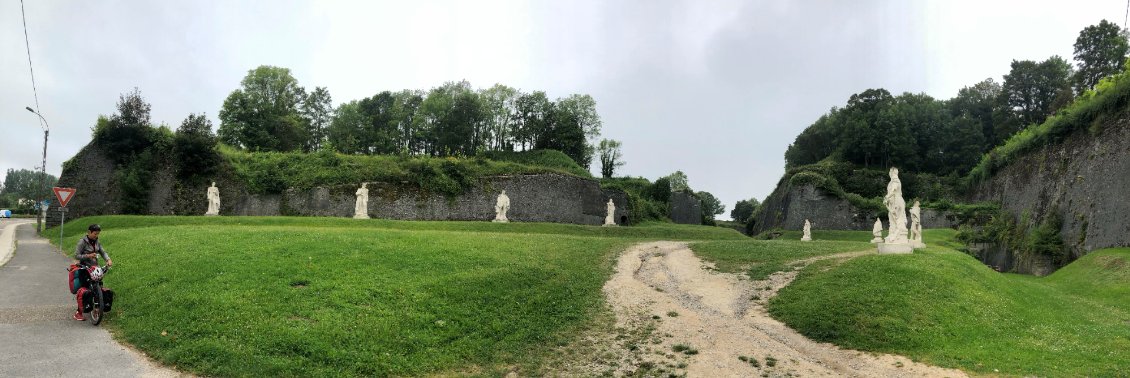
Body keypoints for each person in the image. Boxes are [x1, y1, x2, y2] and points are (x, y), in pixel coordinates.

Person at [73, 224, 112, 321]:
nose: (96, 235)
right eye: (95, 233)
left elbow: (102, 252)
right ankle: (79, 312)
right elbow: (77, 255)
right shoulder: (82, 242)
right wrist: (88, 255)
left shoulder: (97, 241)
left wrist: (108, 259)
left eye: (98, 234)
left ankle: (97, 308)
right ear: (89, 232)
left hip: (95, 269)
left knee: (98, 287)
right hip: (84, 268)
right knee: (86, 290)